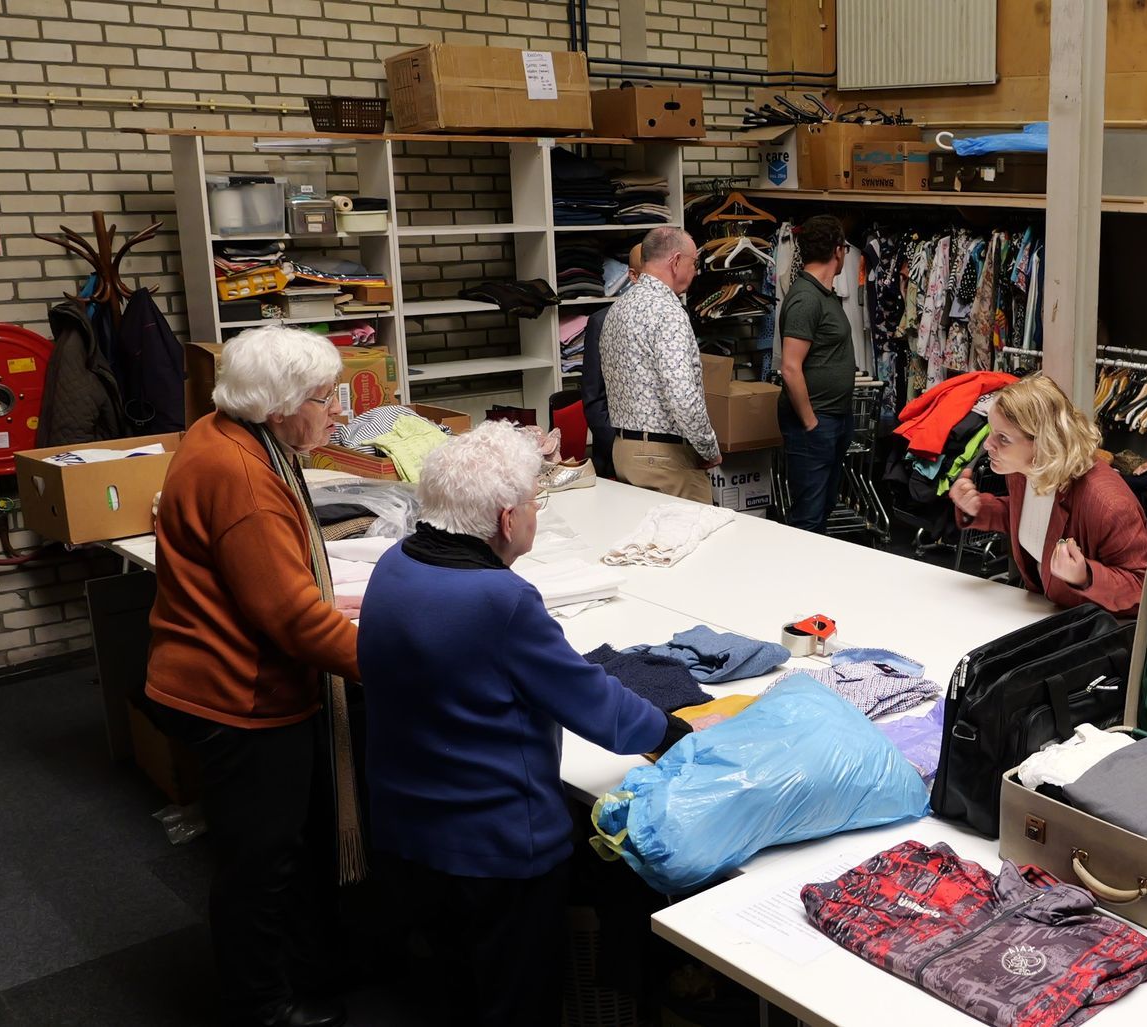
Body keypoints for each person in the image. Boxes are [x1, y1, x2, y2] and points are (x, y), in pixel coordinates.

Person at [357, 422, 694, 1027]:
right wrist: (673, 733)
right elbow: (597, 707)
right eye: (536, 502)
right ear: (507, 520)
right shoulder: (500, 600)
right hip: (496, 849)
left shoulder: (393, 565)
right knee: (517, 1002)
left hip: (410, 832)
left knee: (457, 988)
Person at [141, 325, 359, 1027]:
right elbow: (293, 621)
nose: (337, 412)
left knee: (263, 850)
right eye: (324, 398)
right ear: (279, 406)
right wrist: (396, 661)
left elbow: (270, 588)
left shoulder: (217, 431)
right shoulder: (245, 479)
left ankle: (288, 973)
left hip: (205, 673)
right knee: (260, 862)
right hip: (238, 696)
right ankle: (260, 1008)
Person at [950, 374, 1147, 617]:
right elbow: (1032, 519)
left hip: (1095, 627)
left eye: (1003, 438)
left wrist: (1086, 576)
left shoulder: (1110, 504)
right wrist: (978, 507)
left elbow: (1143, 587)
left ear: (1042, 444)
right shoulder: (1022, 472)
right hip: (1047, 611)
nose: (987, 445)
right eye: (992, 431)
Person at [600, 226, 721, 501]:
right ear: (676, 261)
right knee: (694, 528)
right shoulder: (667, 312)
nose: (696, 271)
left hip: (625, 452)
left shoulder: (618, 308)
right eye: (694, 263)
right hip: (665, 458)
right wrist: (708, 447)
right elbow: (683, 396)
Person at [778, 215, 858, 532]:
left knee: (822, 509)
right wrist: (811, 422)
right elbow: (790, 367)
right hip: (815, 421)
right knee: (808, 518)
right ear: (837, 250)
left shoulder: (823, 294)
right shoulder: (806, 298)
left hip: (833, 418)